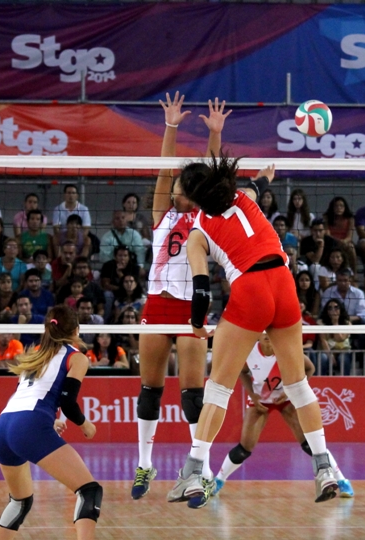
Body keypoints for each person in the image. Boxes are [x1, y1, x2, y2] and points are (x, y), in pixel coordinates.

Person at [168, 153, 339, 509]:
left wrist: (198, 326)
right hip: (284, 284)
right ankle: (324, 468)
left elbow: (201, 289)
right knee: (297, 384)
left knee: (217, 388)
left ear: (194, 197)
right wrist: (264, 178)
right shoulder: (243, 196)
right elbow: (255, 186)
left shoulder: (196, 233)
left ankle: (194, 472)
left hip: (251, 287)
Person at [131, 93, 229, 502]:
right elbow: (162, 170)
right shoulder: (162, 215)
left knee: (193, 394)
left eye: (181, 186)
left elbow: (214, 178)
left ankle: (201, 470)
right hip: (157, 304)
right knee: (150, 389)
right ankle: (144, 463)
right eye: (174, 187)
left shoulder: (205, 219)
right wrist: (170, 127)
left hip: (193, 306)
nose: (175, 190)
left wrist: (215, 137)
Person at [0, 306, 121, 540]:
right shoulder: (77, 357)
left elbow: (36, 393)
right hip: (30, 425)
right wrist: (85, 425)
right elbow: (68, 402)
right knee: (89, 489)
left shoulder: (36, 353)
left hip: (5, 425)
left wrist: (50, 419)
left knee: (19, 500)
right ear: (76, 331)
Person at [213, 331, 354, 497]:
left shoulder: (287, 349)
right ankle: (218, 481)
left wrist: (290, 392)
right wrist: (252, 394)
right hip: (260, 402)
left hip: (286, 400)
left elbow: (310, 368)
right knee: (244, 449)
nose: (266, 334)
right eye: (263, 331)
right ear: (258, 335)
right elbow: (242, 372)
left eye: (269, 331)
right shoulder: (249, 352)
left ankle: (343, 481)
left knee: (311, 445)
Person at [315, 299, 352, 376]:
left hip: (343, 350)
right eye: (330, 308)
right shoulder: (321, 322)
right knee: (323, 358)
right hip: (327, 351)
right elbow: (323, 340)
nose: (333, 310)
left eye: (336, 307)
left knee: (343, 359)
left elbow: (340, 339)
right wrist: (330, 355)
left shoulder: (347, 323)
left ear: (340, 309)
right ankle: (320, 382)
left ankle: (347, 383)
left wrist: (335, 323)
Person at [323, 196, 357, 269]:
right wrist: (337, 241)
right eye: (336, 206)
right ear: (332, 207)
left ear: (345, 207)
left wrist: (343, 241)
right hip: (331, 242)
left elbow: (350, 236)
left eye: (341, 206)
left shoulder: (350, 218)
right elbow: (327, 234)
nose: (339, 208)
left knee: (351, 247)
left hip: (345, 242)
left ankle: (354, 272)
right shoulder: (327, 217)